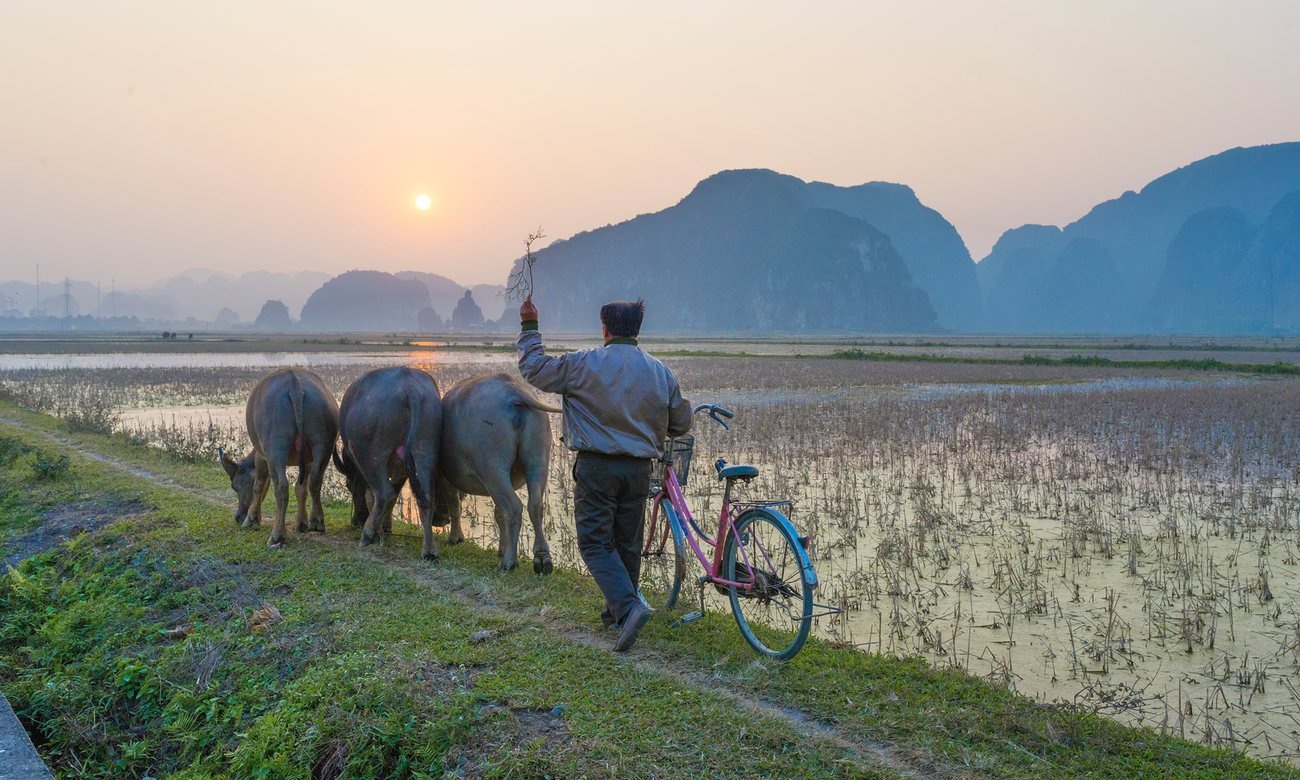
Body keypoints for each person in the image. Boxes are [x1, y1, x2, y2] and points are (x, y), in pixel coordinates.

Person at [517, 296, 691, 651]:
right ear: (637, 330)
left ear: (605, 328)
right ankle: (617, 614)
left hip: (597, 466)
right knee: (627, 542)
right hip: (639, 470)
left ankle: (628, 609)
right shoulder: (661, 372)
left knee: (595, 542)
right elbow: (681, 423)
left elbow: (534, 368)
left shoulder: (583, 364)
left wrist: (529, 326)